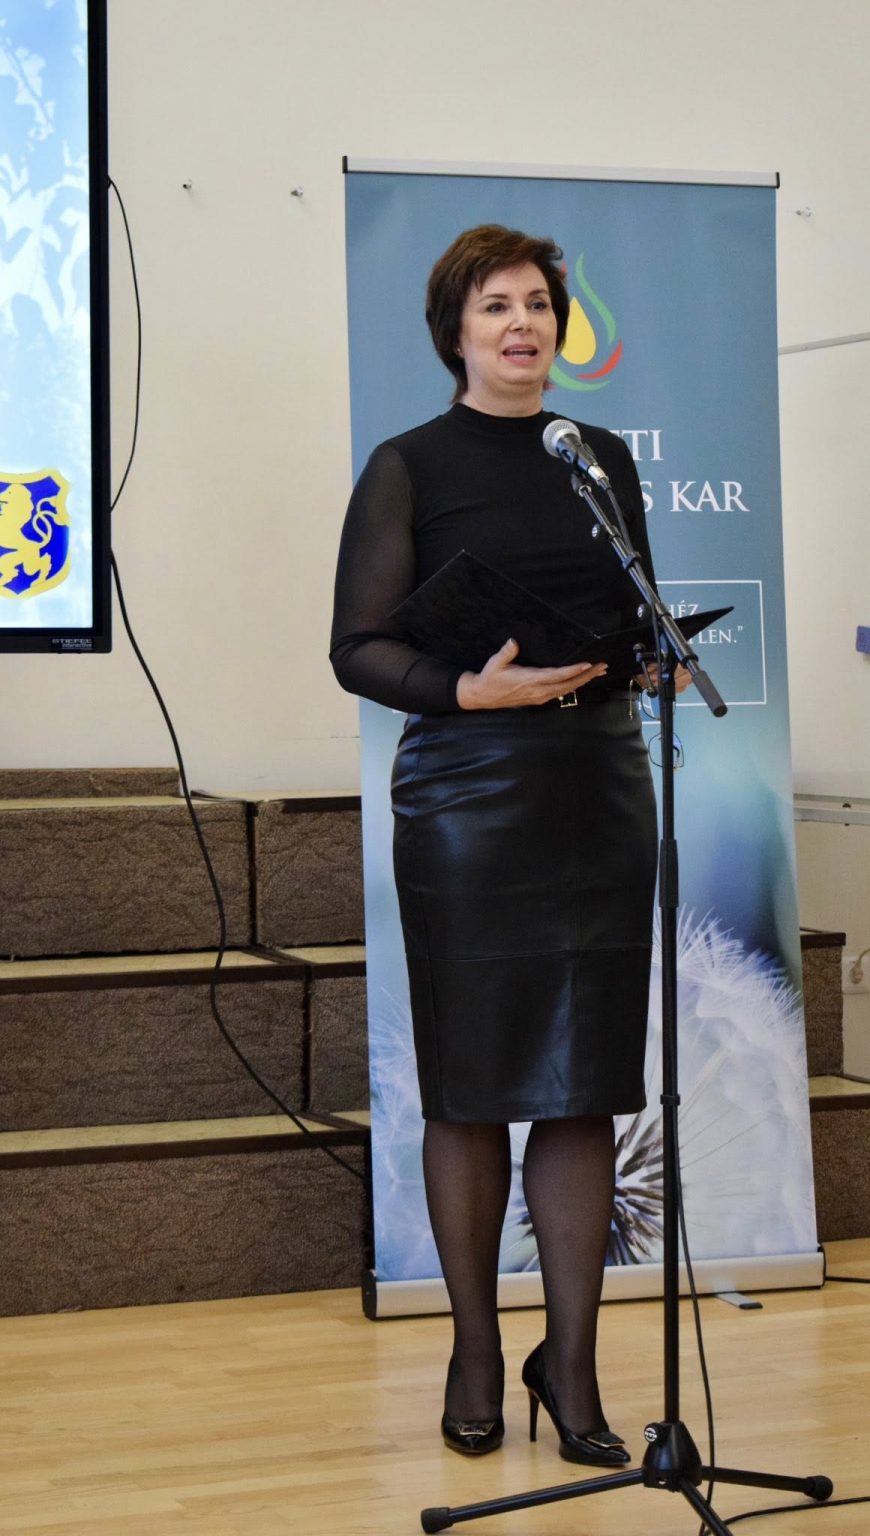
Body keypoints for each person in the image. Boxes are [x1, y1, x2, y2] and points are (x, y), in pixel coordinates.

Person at [331, 224, 688, 1464]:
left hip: (599, 789)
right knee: (476, 1088)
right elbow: (359, 648)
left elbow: (632, 607)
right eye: (496, 306)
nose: (523, 323)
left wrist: (651, 659)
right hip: (470, 801)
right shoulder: (409, 465)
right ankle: (478, 1351)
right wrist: (465, 690)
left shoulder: (598, 457)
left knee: (584, 1088)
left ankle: (571, 1367)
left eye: (537, 304)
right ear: (457, 331)